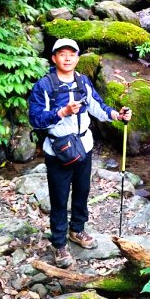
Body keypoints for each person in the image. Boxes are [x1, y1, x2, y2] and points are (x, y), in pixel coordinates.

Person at [28, 38, 132, 268]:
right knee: (59, 197)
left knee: (82, 191)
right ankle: (59, 244)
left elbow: (97, 106)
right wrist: (62, 112)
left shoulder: (83, 82)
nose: (67, 58)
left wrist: (117, 115)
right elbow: (35, 119)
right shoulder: (44, 86)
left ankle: (77, 230)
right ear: (54, 58)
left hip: (84, 146)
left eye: (72, 54)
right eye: (62, 54)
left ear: (77, 58)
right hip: (58, 151)